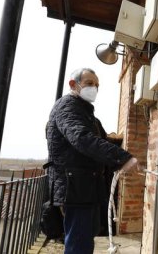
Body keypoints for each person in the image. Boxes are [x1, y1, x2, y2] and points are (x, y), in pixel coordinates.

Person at [45, 68, 138, 253]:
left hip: (86, 187)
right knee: (79, 243)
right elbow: (82, 138)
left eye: (97, 85)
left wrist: (124, 153)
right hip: (75, 188)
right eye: (89, 83)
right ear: (73, 84)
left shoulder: (87, 113)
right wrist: (122, 158)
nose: (94, 88)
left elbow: (102, 140)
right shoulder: (67, 106)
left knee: (86, 238)